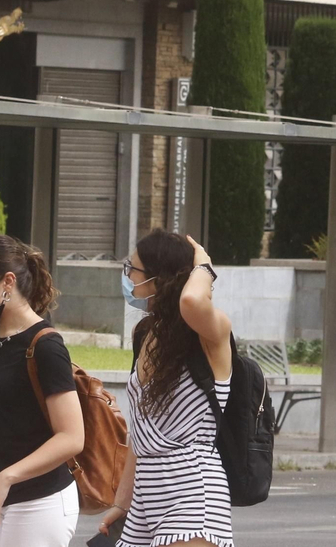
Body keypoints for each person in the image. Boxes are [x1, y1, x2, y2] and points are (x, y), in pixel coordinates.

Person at [97, 229, 233, 547]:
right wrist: (123, 500)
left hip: (192, 491)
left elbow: (191, 300)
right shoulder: (149, 333)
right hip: (148, 491)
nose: (127, 277)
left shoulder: (213, 331)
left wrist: (203, 267)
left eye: (132, 269)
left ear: (160, 278)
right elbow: (143, 429)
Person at [0, 234, 85, 547]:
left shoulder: (46, 345)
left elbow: (72, 437)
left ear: (7, 282)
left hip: (41, 499)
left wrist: (6, 477)